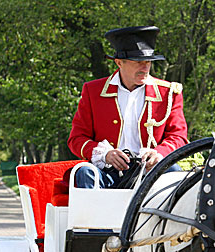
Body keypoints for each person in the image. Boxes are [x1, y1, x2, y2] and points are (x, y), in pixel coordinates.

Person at [68, 26, 188, 188]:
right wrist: (105, 154)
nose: (145, 68)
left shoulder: (168, 93)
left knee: (175, 173)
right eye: (138, 62)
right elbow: (76, 139)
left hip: (150, 171)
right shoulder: (93, 91)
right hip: (107, 171)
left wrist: (159, 153)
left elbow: (179, 137)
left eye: (148, 62)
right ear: (119, 63)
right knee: (85, 172)